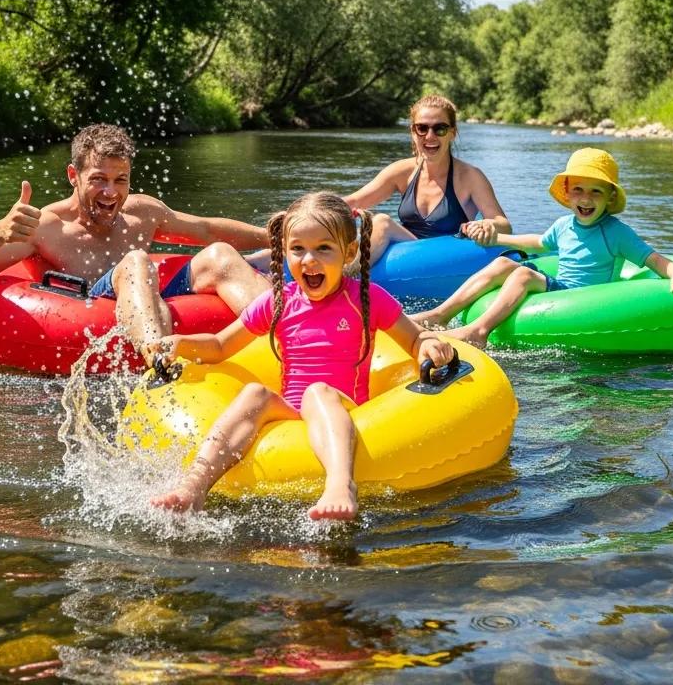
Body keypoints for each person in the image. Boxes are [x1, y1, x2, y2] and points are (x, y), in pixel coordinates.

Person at [148, 191, 454, 521]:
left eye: (323, 248)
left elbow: (413, 339)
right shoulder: (279, 302)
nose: (309, 259)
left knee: (317, 392)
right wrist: (181, 344)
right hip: (290, 415)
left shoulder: (366, 300)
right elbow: (221, 346)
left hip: (344, 409)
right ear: (284, 252)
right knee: (254, 394)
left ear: (348, 252)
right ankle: (193, 487)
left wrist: (428, 345)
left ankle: (340, 485)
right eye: (298, 249)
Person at [0, 124, 269, 355]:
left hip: (152, 293)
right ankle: (160, 360)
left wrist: (272, 235)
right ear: (73, 176)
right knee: (136, 262)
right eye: (99, 179)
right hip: (91, 306)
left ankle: (289, 338)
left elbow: (207, 230)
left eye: (120, 180)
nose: (111, 192)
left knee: (221, 255)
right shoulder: (47, 227)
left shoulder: (142, 212)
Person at [412, 147, 673, 344]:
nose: (586, 199)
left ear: (609, 198)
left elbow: (654, 260)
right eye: (578, 190)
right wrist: (496, 238)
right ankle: (440, 315)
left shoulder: (616, 233)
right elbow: (538, 243)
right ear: (567, 193)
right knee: (504, 263)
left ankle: (479, 330)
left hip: (586, 300)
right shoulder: (565, 224)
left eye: (595, 192)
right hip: (561, 287)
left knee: (523, 275)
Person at [343, 94, 512, 266]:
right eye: (422, 128)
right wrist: (316, 205)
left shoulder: (470, 177)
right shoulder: (402, 171)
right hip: (407, 256)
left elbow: (504, 225)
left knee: (382, 223)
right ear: (413, 132)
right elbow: (355, 201)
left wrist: (487, 225)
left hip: (447, 261)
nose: (430, 136)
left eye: (440, 129)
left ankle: (347, 278)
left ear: (452, 133)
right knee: (373, 225)